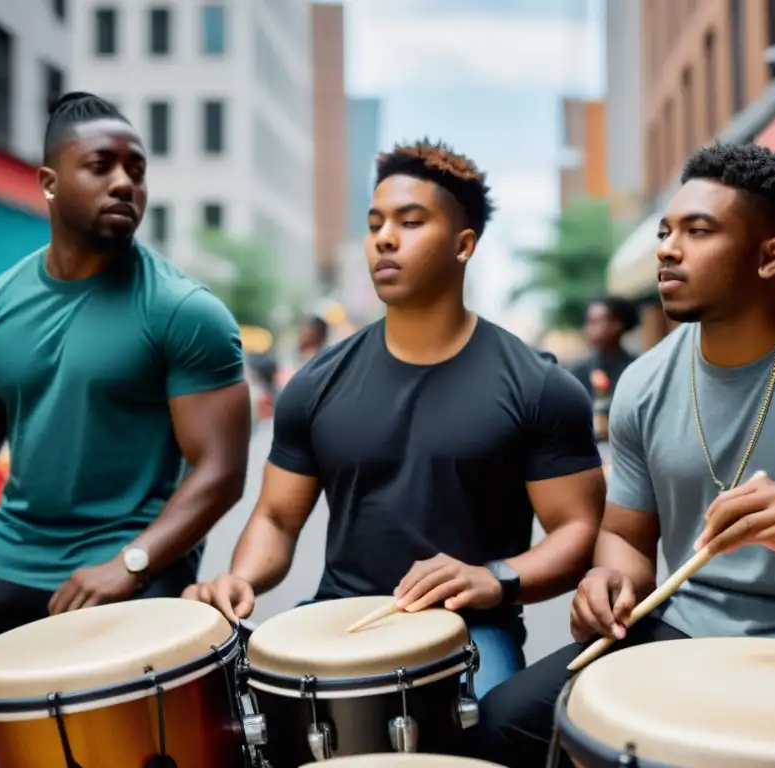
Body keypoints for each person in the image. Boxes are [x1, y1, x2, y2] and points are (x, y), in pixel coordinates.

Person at [472, 142, 775, 766]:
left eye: (698, 230)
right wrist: (611, 581)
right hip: (685, 627)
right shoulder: (645, 382)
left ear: (771, 255)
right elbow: (628, 539)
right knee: (508, 721)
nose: (666, 248)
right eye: (666, 231)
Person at [184, 139, 605, 698]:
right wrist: (241, 579)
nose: (384, 237)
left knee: (486, 740)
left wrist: (494, 579)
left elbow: (578, 529)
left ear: (463, 244)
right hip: (340, 615)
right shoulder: (315, 383)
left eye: (411, 221)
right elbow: (277, 519)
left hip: (470, 627)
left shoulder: (541, 387)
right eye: (375, 222)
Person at [0, 92, 250, 767]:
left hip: (132, 551)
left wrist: (130, 563)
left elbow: (218, 471)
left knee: (122, 743)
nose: (126, 181)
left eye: (137, 168)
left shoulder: (185, 311)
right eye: (102, 165)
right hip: (13, 545)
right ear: (49, 181)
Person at [568, 297, 638, 442]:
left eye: (595, 322)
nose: (589, 328)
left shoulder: (637, 369)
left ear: (616, 325)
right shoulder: (577, 372)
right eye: (588, 322)